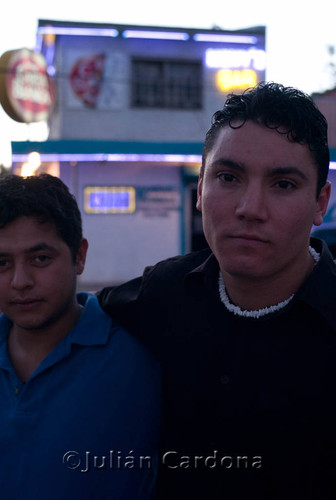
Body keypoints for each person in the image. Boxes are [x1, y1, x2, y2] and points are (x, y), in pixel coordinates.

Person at [98, 82, 336, 499]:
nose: (250, 208)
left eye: (283, 184)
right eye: (228, 177)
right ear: (201, 190)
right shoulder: (163, 294)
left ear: (321, 202)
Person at [0, 174, 161, 500]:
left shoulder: (138, 364)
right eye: (1, 263)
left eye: (40, 259)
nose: (20, 281)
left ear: (79, 256)